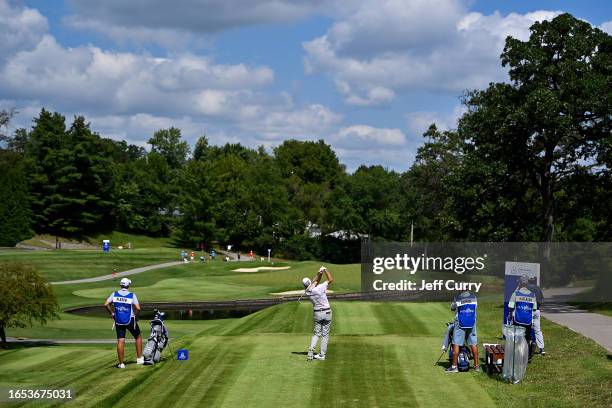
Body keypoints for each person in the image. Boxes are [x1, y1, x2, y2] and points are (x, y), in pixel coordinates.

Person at [104, 277, 143, 368]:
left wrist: (112, 314)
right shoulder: (132, 295)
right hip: (130, 320)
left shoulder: (114, 294)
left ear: (121, 285)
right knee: (138, 336)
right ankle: (139, 359)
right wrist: (135, 316)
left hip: (119, 321)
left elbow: (106, 304)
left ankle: (121, 364)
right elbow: (138, 308)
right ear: (128, 285)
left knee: (120, 340)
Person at [304, 266, 334, 361]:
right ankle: (322, 355)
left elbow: (315, 282)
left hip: (317, 313)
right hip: (327, 312)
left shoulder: (307, 292)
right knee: (325, 334)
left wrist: (319, 273)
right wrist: (324, 270)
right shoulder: (321, 287)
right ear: (311, 283)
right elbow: (330, 279)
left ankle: (310, 352)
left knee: (317, 333)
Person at [446, 290, 480, 372]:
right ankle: (476, 366)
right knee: (473, 343)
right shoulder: (474, 297)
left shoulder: (457, 298)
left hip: (460, 323)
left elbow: (452, 308)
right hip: (472, 322)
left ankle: (454, 367)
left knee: (456, 343)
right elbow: (475, 307)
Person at [508, 275, 537, 349]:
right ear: (527, 284)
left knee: (517, 338)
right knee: (526, 338)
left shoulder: (516, 293)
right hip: (528, 321)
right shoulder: (532, 295)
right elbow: (534, 309)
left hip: (517, 320)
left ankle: (517, 354)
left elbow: (510, 307)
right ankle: (526, 354)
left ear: (519, 284)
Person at [527, 277, 545, 355]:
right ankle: (542, 349)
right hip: (537, 311)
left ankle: (528, 346)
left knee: (527, 328)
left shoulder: (527, 288)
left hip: (528, 310)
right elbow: (542, 300)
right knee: (538, 330)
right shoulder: (538, 289)